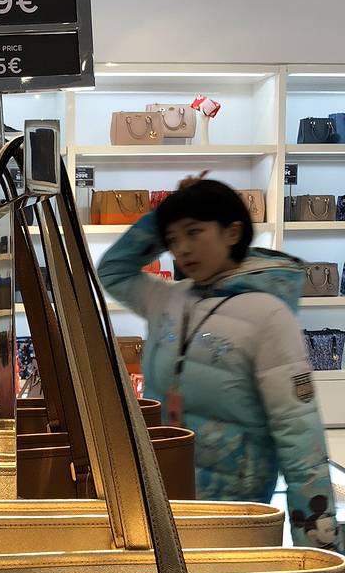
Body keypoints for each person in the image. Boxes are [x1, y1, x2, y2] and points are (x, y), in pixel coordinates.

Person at [97, 175, 342, 552]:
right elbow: (112, 270)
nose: (181, 249)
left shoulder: (269, 316)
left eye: (194, 232)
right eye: (173, 239)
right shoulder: (168, 299)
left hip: (232, 509)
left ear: (232, 232)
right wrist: (165, 214)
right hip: (160, 491)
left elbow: (298, 432)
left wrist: (316, 546)